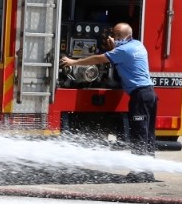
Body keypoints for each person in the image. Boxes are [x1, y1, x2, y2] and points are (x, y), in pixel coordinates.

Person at [60, 22, 157, 158]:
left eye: (118, 35)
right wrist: (114, 46)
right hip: (149, 95)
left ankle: (140, 172)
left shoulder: (123, 50)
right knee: (148, 133)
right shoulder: (138, 45)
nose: (115, 38)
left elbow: (98, 59)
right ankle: (148, 169)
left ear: (127, 36)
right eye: (114, 35)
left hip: (140, 96)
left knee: (139, 133)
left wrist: (73, 62)